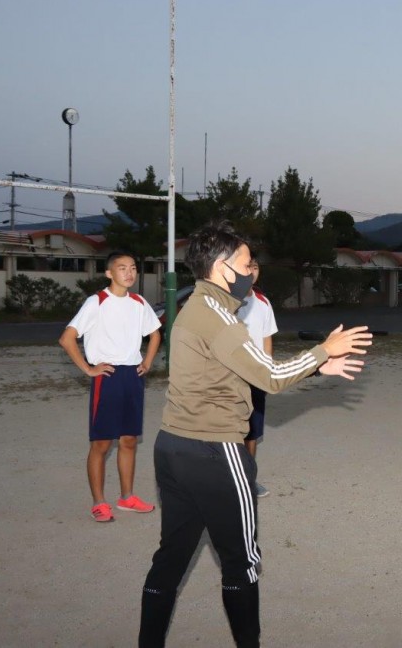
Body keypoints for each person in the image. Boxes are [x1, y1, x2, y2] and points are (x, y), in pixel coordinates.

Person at [138, 221, 371, 647]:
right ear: (224, 268)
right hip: (215, 453)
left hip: (172, 447)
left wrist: (319, 367)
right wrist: (324, 350)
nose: (254, 271)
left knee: (170, 558)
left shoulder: (196, 309)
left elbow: (244, 371)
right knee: (242, 564)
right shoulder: (220, 321)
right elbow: (271, 376)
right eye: (248, 264)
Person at [59, 251, 161, 523]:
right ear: (109, 273)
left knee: (128, 440)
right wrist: (89, 369)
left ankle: (127, 497)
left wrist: (147, 362)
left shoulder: (139, 302)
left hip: (132, 377)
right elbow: (67, 338)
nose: (129, 272)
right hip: (108, 377)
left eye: (133, 268)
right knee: (102, 443)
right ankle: (99, 502)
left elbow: (155, 334)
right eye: (122, 268)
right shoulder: (97, 302)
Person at [235, 259, 277, 498]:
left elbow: (267, 338)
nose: (251, 272)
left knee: (252, 431)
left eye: (256, 267)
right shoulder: (227, 301)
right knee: (230, 430)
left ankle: (248, 479)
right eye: (246, 266)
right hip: (231, 375)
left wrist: (267, 370)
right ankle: (228, 478)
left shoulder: (263, 302)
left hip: (256, 376)